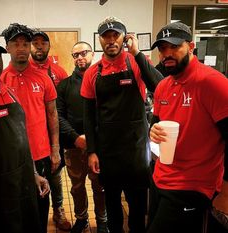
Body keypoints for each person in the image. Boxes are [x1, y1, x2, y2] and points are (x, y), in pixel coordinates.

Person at [80, 16, 163, 233]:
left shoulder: (136, 62)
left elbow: (160, 87)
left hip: (136, 150)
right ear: (100, 40)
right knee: (113, 205)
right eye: (105, 36)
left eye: (115, 35)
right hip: (108, 151)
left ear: (124, 38)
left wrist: (136, 53)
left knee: (137, 207)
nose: (110, 40)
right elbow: (88, 117)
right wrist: (92, 152)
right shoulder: (93, 72)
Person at [148, 22, 228, 233]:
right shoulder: (163, 86)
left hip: (193, 185)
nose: (167, 54)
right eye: (163, 49)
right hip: (160, 177)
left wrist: (224, 191)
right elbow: (156, 124)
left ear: (191, 46)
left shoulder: (213, 83)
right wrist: (152, 131)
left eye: (174, 46)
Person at [0, 23, 61, 233]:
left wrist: (55, 150)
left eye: (25, 44)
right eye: (16, 44)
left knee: (40, 209)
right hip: (12, 161)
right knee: (15, 211)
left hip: (41, 155)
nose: (21, 48)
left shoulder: (43, 77)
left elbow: (53, 114)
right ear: (7, 48)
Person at [0, 39, 50, 233]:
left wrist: (33, 173)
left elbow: (22, 138)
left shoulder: (7, 91)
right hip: (0, 187)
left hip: (23, 179)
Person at [57, 41, 108, 233]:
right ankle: (81, 219)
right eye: (75, 55)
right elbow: (58, 116)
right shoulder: (64, 86)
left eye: (83, 53)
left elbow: (109, 113)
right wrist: (76, 137)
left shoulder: (102, 81)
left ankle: (102, 220)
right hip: (73, 146)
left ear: (92, 54)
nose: (79, 58)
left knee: (100, 186)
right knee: (77, 188)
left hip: (99, 147)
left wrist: (95, 138)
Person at [30, 30, 71, 231]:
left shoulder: (59, 72)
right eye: (35, 42)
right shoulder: (24, 71)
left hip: (54, 135)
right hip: (31, 137)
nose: (39, 46)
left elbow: (63, 107)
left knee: (55, 175)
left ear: (48, 46)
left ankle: (59, 209)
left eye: (43, 43)